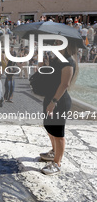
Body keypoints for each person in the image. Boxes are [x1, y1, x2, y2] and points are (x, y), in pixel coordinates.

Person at [39, 39, 78, 175]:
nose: (55, 45)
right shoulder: (57, 59)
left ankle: (57, 163)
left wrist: (53, 102)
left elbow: (65, 84)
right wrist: (43, 64)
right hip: (50, 98)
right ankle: (54, 152)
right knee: (48, 126)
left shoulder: (68, 61)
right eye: (55, 42)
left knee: (58, 133)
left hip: (59, 101)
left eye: (58, 43)